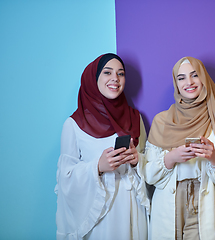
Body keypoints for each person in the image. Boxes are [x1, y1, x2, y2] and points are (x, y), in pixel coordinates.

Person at [143, 56, 215, 240]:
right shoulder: (162, 120)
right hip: (168, 204)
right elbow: (149, 176)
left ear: (204, 78)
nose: (189, 82)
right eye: (181, 77)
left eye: (195, 75)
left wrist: (214, 159)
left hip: (205, 204)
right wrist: (172, 157)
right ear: (176, 83)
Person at [55, 53, 149, 240]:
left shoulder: (135, 118)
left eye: (120, 73)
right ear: (94, 78)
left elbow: (150, 164)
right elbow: (65, 178)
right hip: (101, 215)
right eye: (107, 72)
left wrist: (137, 160)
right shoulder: (73, 125)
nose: (115, 78)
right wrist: (97, 167)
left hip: (133, 210)